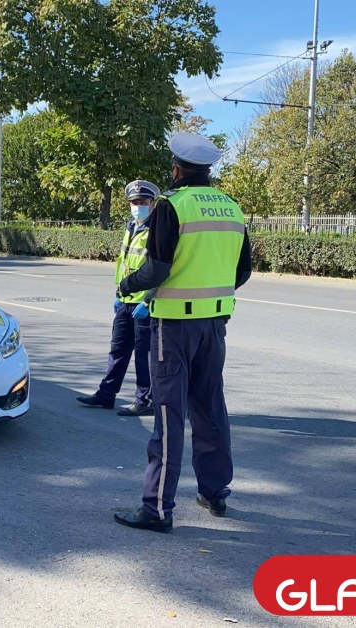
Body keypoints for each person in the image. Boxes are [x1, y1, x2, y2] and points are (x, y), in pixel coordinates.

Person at [112, 132, 253, 532]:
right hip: (214, 325)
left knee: (168, 414)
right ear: (207, 170)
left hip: (172, 326)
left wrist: (127, 286)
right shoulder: (231, 207)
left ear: (175, 168)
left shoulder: (171, 206)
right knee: (210, 409)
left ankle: (157, 509)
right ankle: (214, 493)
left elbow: (157, 268)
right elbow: (242, 272)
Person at [76, 180, 160, 416]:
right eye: (134, 202)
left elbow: (159, 268)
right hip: (125, 298)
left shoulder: (157, 229)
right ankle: (107, 394)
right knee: (118, 349)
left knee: (144, 355)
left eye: (143, 202)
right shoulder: (132, 224)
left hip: (144, 303)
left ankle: (144, 400)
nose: (138, 206)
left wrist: (147, 301)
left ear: (153, 204)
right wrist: (118, 293)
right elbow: (124, 264)